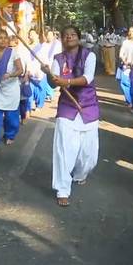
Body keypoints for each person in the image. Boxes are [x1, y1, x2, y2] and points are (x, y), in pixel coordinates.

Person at [42, 25, 100, 207]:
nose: (69, 38)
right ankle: (62, 189)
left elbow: (87, 78)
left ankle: (80, 174)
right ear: (61, 39)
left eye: (73, 34)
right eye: (65, 35)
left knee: (89, 156)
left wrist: (66, 81)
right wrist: (50, 76)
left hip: (88, 107)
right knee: (64, 150)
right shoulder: (58, 59)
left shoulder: (90, 55)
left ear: (79, 37)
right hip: (67, 108)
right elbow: (53, 84)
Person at [0, 30, 23, 150]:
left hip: (11, 90)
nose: (3, 40)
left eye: (5, 38)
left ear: (8, 39)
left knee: (11, 119)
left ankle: (10, 135)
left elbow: (20, 70)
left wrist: (10, 75)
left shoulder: (13, 53)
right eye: (0, 38)